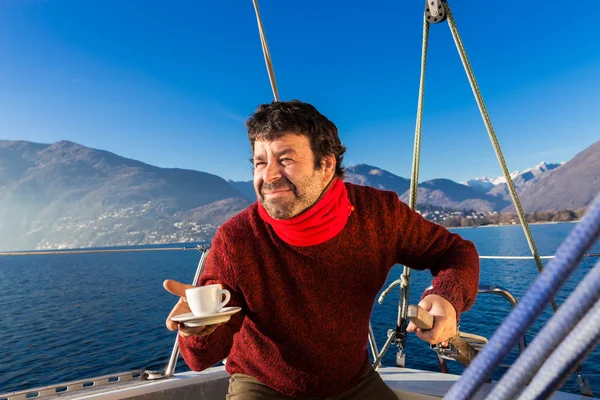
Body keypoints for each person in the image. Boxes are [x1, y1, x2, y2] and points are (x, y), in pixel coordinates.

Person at [164, 100, 480, 399]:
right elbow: (201, 359)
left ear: (326, 165)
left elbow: (455, 252)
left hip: (351, 381)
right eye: (261, 162)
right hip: (264, 385)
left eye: (285, 159)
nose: (269, 175)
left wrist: (448, 297)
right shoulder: (236, 239)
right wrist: (197, 330)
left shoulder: (377, 214)